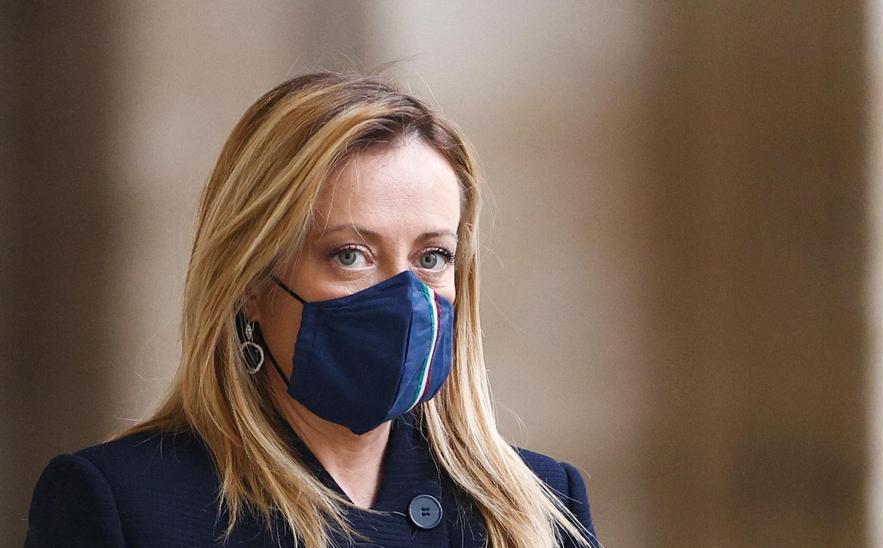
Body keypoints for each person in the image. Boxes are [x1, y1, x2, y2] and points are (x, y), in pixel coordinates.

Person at [23, 71, 598, 548]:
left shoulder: (538, 505)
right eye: (350, 255)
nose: (403, 295)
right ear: (250, 278)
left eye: (432, 256)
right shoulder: (123, 505)